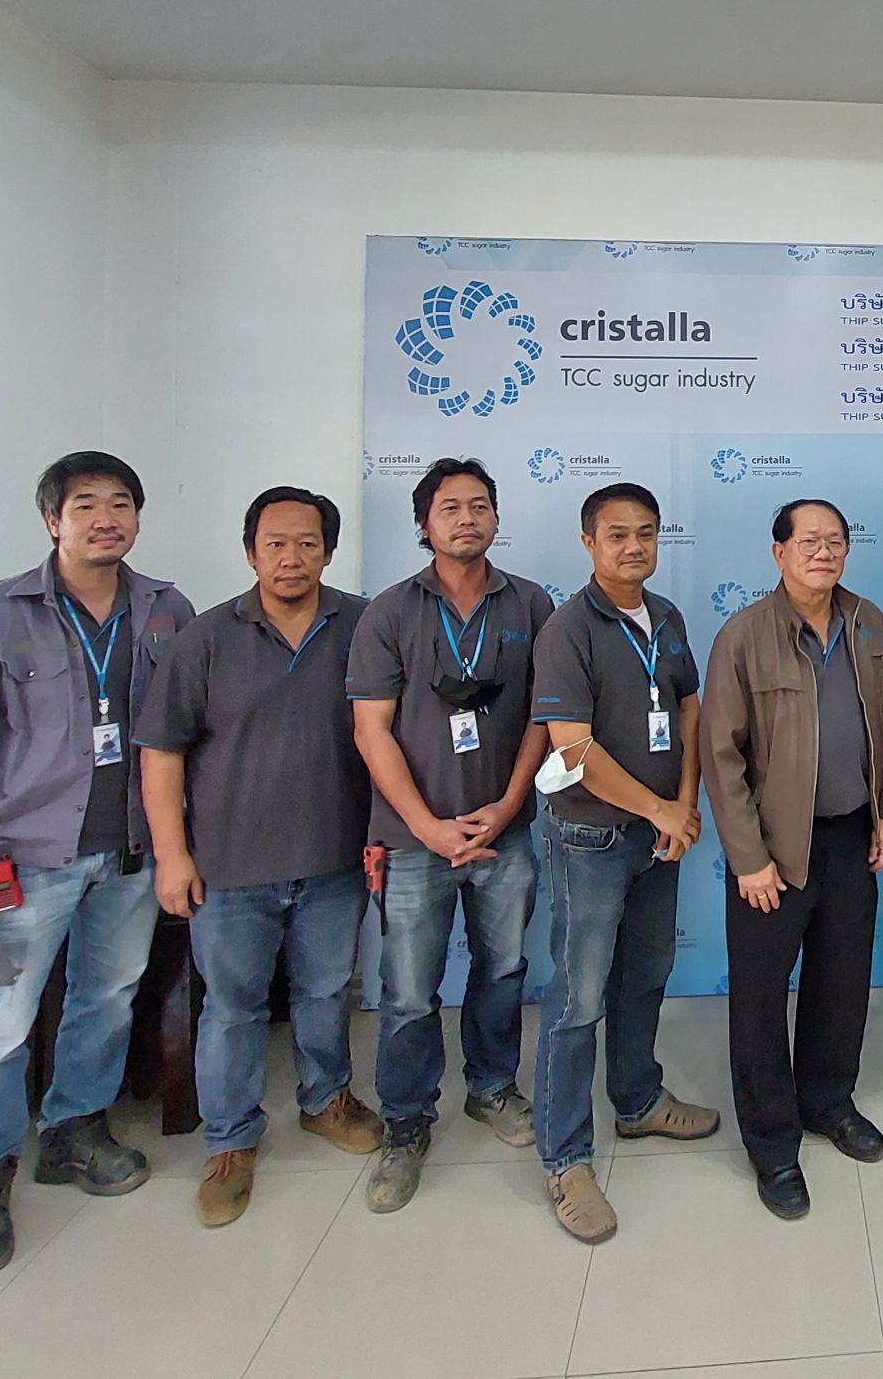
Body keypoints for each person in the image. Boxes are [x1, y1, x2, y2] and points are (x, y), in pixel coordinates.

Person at [0, 451, 195, 1280]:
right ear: (52, 520)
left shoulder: (166, 610)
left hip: (131, 849)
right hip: (23, 858)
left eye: (121, 503)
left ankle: (74, 1129)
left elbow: (183, 729)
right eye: (86, 504)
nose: (106, 518)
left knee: (106, 997)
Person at [138, 487, 383, 1228]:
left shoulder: (364, 625)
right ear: (251, 552)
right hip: (230, 866)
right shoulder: (207, 637)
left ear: (328, 552)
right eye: (275, 543)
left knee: (324, 992)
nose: (291, 557)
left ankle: (325, 1099)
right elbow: (162, 753)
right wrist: (172, 856)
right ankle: (230, 1140)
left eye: (307, 543)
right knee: (232, 1008)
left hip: (334, 859)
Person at [345, 456, 555, 1213]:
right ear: (423, 523)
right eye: (449, 507)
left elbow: (544, 715)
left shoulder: (530, 603)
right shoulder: (389, 612)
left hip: (506, 832)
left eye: (479, 506)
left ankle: (492, 1087)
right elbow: (371, 731)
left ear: (496, 517)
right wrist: (427, 827)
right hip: (413, 841)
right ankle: (406, 1122)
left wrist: (508, 804)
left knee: (503, 970)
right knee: (407, 990)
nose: (467, 518)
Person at [701, 498, 883, 1220]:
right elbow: (720, 755)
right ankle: (772, 1143)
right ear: (779, 552)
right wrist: (749, 858)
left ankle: (828, 1101)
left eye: (835, 541)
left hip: (850, 834)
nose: (824, 552)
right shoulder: (744, 635)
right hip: (775, 849)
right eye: (809, 541)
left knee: (841, 982)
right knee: (760, 1000)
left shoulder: (868, 621)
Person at [530, 482, 722, 1242]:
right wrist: (657, 808)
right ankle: (565, 1157)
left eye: (646, 532)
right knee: (577, 1000)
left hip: (659, 837)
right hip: (591, 840)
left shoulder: (667, 616)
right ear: (589, 543)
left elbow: (689, 708)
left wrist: (684, 802)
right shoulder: (566, 629)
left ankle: (638, 1103)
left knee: (645, 975)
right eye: (617, 534)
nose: (634, 546)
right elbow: (571, 748)